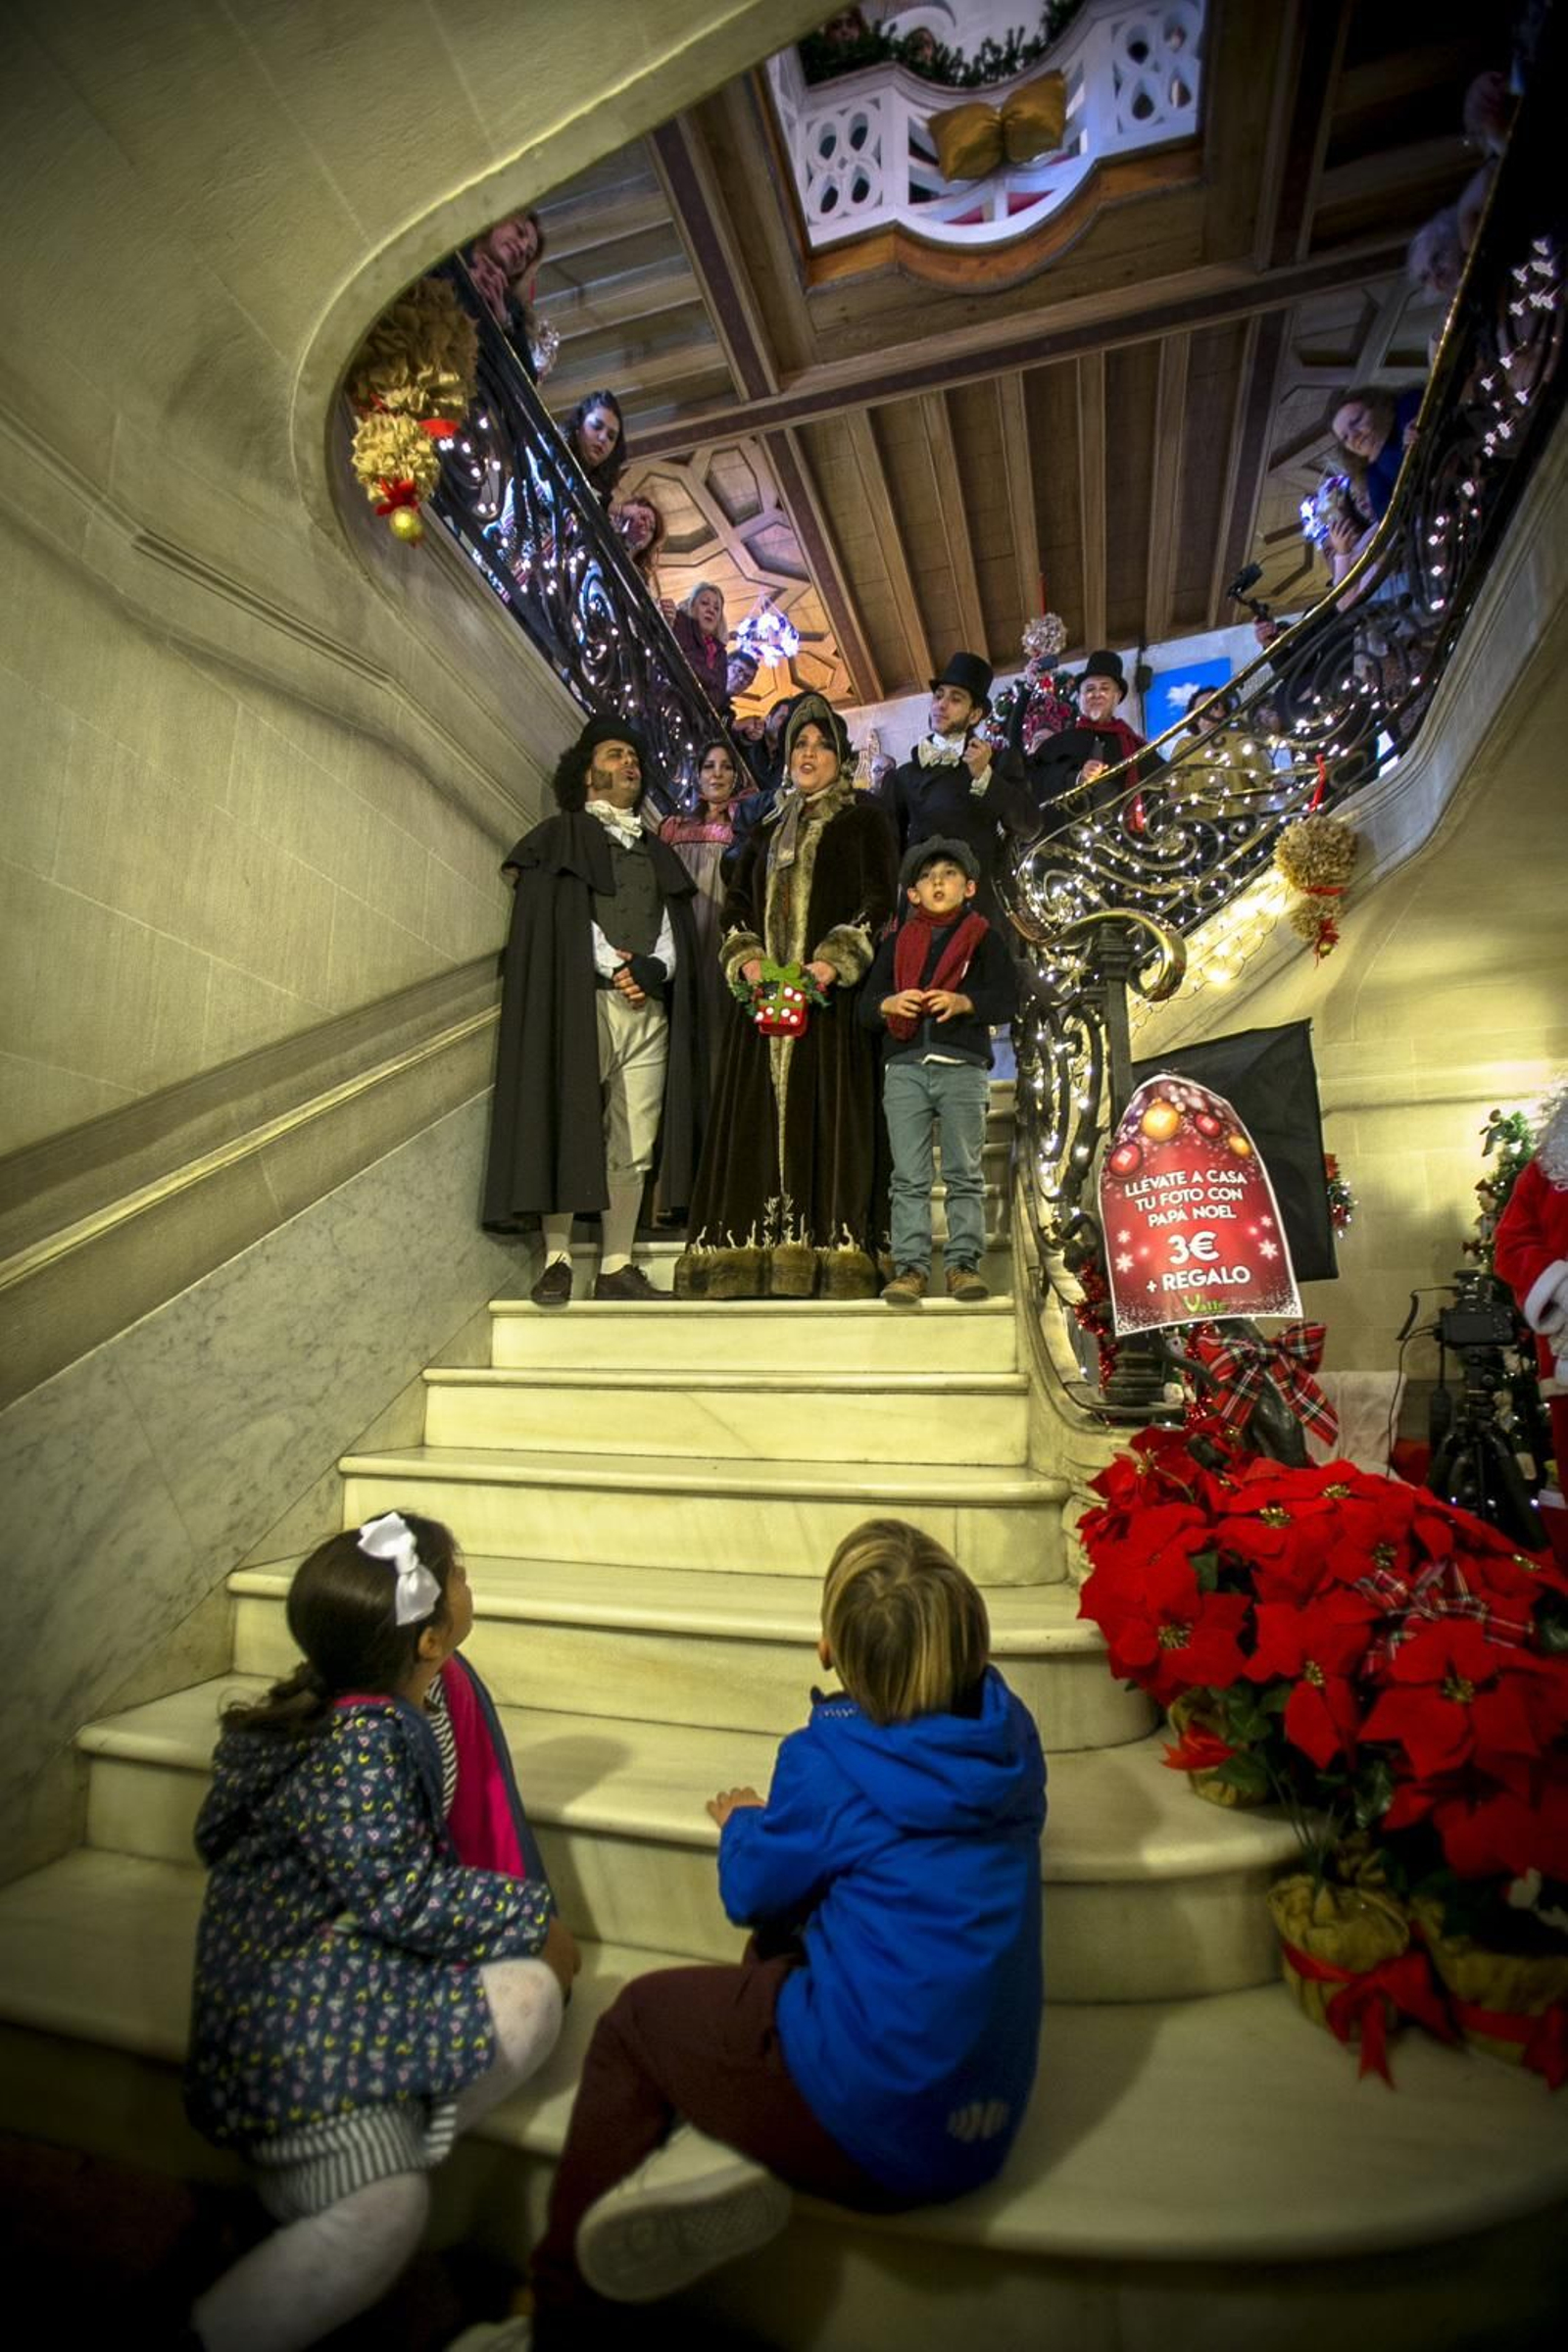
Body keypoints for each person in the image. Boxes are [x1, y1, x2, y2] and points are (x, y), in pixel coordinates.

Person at [525, 1517, 1047, 2332]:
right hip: (984, 2118)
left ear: (828, 1650)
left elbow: (752, 1890)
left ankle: (556, 2312)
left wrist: (744, 1821)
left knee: (633, 2023)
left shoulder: (828, 1763)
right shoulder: (1009, 1741)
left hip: (877, 2132)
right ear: (970, 1643)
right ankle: (735, 2129)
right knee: (801, 1932)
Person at [183, 1512, 579, 2352]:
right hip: (295, 2021)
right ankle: (337, 2207)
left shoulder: (393, 1699)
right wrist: (529, 1914)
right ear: (430, 1637)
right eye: (461, 1573)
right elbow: (400, 1893)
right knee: (393, 2204)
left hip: (347, 1974)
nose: (472, 1578)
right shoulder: (358, 1742)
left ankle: (365, 2155)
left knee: (530, 1998)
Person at [675, 694, 896, 1300]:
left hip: (829, 1004)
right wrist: (745, 958)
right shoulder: (766, 829)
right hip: (763, 1004)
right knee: (755, 1120)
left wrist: (832, 961)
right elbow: (737, 903)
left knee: (827, 1115)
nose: (809, 754)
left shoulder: (865, 819)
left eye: (822, 745)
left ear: (839, 757)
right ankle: (748, 1258)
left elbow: (879, 901)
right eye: (800, 744)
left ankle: (830, 1258)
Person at [481, 715, 706, 1304]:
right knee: (567, 1120)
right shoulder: (560, 836)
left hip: (647, 1013)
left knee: (635, 1142)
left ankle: (616, 1265)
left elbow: (670, 922)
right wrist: (616, 966)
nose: (629, 762)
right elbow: (562, 918)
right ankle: (556, 1258)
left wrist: (655, 968)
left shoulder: (657, 851)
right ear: (588, 773)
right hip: (583, 1007)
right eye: (615, 753)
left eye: (634, 754)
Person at [860, 838, 1017, 1307]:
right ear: (912, 894)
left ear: (968, 886)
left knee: (964, 1172)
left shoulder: (983, 938)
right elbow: (865, 1010)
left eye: (948, 874)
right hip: (905, 1068)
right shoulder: (894, 945)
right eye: (927, 877)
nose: (937, 882)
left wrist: (965, 1002)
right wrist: (889, 1002)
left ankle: (962, 1266)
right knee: (907, 1177)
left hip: (963, 1068)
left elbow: (1007, 998)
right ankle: (910, 1269)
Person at [875, 652, 1041, 932]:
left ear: (974, 714)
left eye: (955, 699)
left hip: (981, 915)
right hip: (921, 918)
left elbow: (1029, 825)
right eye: (938, 696)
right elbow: (887, 851)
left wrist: (985, 777)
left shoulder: (999, 763)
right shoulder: (903, 777)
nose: (941, 705)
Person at [658, 737, 744, 1102]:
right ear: (698, 775)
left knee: (717, 1025)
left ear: (736, 777)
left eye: (725, 767)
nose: (717, 773)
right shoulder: (673, 828)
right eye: (710, 766)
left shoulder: (745, 827)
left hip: (723, 938)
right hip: (680, 934)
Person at [1023, 649, 1164, 824]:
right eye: (1089, 689)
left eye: (1105, 688)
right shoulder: (1062, 742)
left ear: (1117, 696)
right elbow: (1038, 778)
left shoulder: (1134, 744)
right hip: (1074, 838)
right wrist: (1077, 778)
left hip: (1126, 841)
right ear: (1081, 697)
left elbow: (1162, 780)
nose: (1096, 694)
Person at [662, 579, 732, 720]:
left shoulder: (720, 653)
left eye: (717, 608)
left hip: (693, 722)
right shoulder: (678, 624)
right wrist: (710, 679)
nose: (711, 610)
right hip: (666, 706)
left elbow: (717, 698)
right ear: (692, 607)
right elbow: (679, 665)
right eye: (704, 603)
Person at [563, 389, 627, 507]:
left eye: (611, 437)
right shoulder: (550, 452)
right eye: (597, 426)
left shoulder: (600, 498)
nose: (603, 438)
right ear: (579, 424)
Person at [612, 489, 665, 589]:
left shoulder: (641, 577)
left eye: (651, 528)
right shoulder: (607, 532)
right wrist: (621, 510)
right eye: (643, 518)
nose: (646, 525)